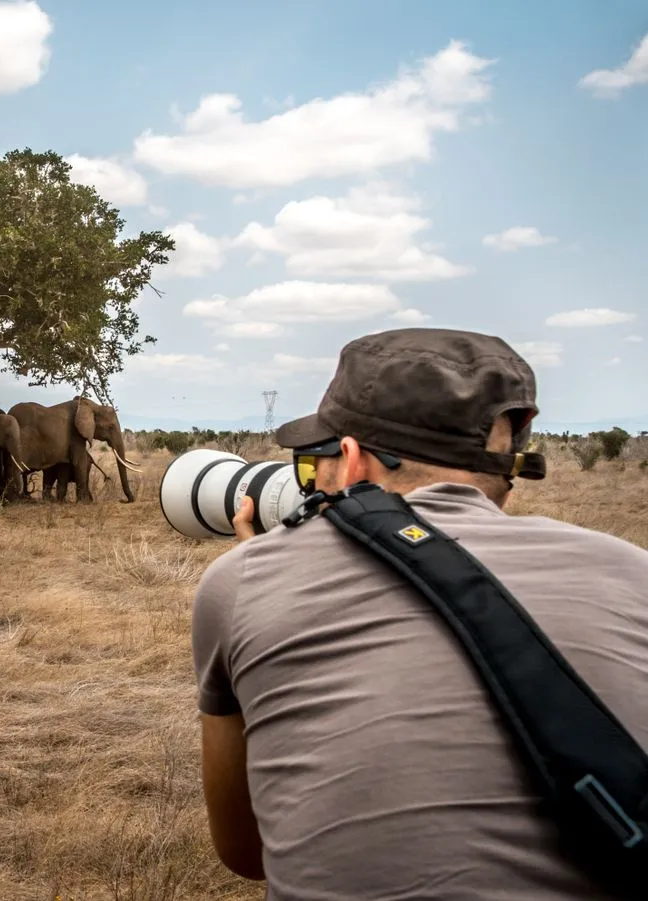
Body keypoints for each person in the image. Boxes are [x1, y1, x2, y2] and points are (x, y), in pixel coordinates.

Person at [190, 327, 648, 901]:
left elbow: (245, 851)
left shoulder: (241, 581)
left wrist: (259, 570)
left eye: (314, 465)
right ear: (506, 477)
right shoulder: (633, 570)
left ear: (351, 462)